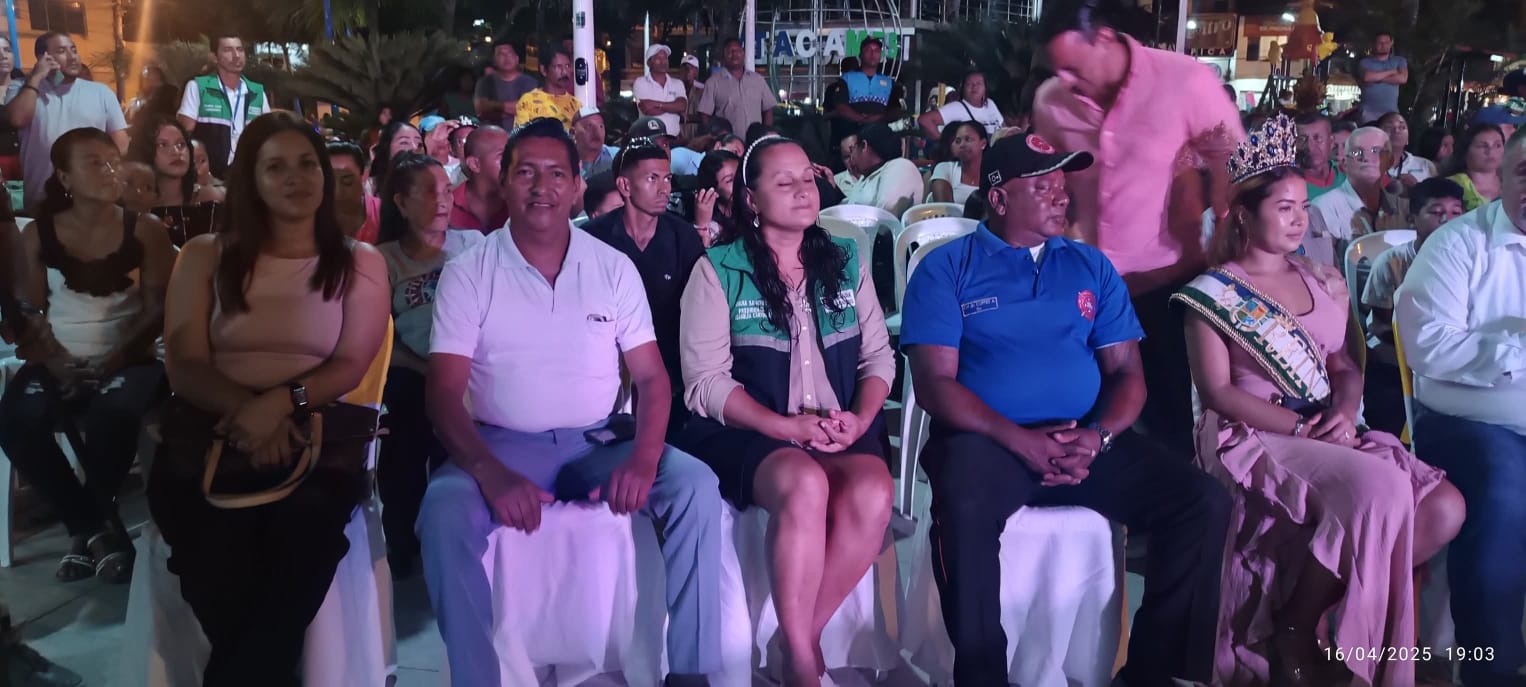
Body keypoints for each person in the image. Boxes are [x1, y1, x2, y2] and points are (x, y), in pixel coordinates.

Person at [899, 131, 1229, 687]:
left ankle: (1149, 674)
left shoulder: (1088, 266)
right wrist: (1019, 441)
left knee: (1202, 503)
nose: (1061, 195)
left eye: (1062, 183)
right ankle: (982, 676)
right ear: (999, 198)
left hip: (1085, 441)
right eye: (1043, 186)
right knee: (963, 503)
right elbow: (935, 385)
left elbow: (1127, 375)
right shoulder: (946, 268)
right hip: (987, 443)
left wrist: (1099, 436)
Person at [418, 118, 721, 687]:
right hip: (501, 445)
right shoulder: (468, 273)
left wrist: (644, 459)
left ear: (578, 184)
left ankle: (691, 672)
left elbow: (653, 380)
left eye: (557, 174)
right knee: (443, 510)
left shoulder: (611, 267)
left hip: (598, 441)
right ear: (502, 182)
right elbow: (442, 393)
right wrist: (489, 472)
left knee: (696, 486)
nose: (542, 188)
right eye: (526, 173)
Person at [1177, 114, 1462, 687]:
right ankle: (1296, 627)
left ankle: (1311, 613)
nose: (1298, 219)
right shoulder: (1212, 293)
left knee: (1444, 507)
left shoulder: (1318, 276)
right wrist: (1299, 427)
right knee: (1381, 489)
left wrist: (1344, 408)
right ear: (1243, 213)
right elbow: (1218, 392)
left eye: (1303, 207)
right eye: (1283, 207)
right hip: (1253, 435)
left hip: (1327, 426)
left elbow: (1344, 364)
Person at [149, 111, 391, 686]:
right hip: (213, 426)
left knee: (303, 536)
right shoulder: (205, 255)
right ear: (251, 181)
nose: (296, 177)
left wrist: (280, 405)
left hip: (317, 432)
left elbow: (351, 363)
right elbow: (185, 362)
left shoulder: (360, 262)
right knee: (212, 545)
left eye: (308, 164)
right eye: (276, 167)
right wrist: (247, 412)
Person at [676, 135, 894, 687]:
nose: (803, 190)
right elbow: (704, 384)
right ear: (750, 199)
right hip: (752, 429)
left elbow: (877, 357)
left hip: (837, 426)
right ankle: (801, 662)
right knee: (804, 483)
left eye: (807, 178)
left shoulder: (844, 260)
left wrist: (860, 419)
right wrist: (784, 426)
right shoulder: (718, 270)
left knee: (873, 490)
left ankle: (797, 637)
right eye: (784, 182)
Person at [1032, 0, 1246, 455]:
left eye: (1073, 67)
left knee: (1174, 428)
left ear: (1104, 38)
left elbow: (1235, 168)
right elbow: (1048, 185)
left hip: (1169, 285)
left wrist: (1227, 248)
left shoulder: (1184, 81)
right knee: (1086, 421)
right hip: (1087, 292)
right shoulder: (1052, 102)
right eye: (1057, 69)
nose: (1064, 80)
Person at [0, 127, 174, 584]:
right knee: (16, 421)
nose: (110, 170)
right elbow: (29, 308)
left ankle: (86, 533)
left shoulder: (147, 230)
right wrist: (56, 360)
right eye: (95, 163)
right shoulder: (39, 234)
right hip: (59, 357)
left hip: (132, 358)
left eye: (113, 160)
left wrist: (113, 360)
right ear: (64, 177)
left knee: (113, 413)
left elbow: (158, 311)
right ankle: (94, 528)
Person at [1396, 126, 1526, 687]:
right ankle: (1490, 667)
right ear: (1501, 178)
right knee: (1502, 494)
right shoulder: (1459, 244)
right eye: (1525, 173)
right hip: (1470, 420)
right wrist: (1518, 350)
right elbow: (1427, 344)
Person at [373, 153, 485, 577]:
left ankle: (454, 535)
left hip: (474, 368)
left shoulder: (472, 245)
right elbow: (380, 339)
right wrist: (431, 372)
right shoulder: (383, 259)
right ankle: (403, 542)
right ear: (401, 203)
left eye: (446, 190)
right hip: (412, 369)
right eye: (428, 191)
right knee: (408, 420)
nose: (442, 200)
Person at [584, 140, 705, 438]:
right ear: (625, 186)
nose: (664, 189)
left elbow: (699, 311)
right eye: (652, 178)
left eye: (667, 178)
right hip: (605, 372)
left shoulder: (682, 237)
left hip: (671, 372)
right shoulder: (592, 239)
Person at [1357, 177, 1465, 437]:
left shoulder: (1469, 261)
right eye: (1436, 213)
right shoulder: (1392, 262)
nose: (1446, 220)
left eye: (1456, 213)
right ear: (1412, 219)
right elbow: (1381, 322)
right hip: (1396, 350)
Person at [7, 33, 130, 213]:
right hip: (41, 200)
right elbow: (17, 118)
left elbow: (121, 144)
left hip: (93, 200)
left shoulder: (101, 93)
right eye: (62, 51)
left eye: (74, 50)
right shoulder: (21, 88)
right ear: (43, 58)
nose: (72, 57)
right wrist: (36, 77)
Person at [1304, 126, 1410, 266]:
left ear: (1390, 161)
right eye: (1356, 152)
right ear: (1344, 164)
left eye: (1376, 151)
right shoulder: (1322, 208)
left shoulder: (1404, 209)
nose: (1366, 158)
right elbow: (1319, 268)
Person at [177, 34, 272, 179]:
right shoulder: (198, 87)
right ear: (214, 57)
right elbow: (183, 133)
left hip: (247, 176)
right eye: (228, 50)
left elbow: (268, 135)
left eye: (240, 49)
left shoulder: (257, 92)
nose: (236, 55)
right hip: (210, 177)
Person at [127, 116, 225, 245]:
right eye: (163, 144)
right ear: (145, 151)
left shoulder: (212, 199)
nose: (176, 152)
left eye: (181, 144)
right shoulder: (136, 206)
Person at [831, 122, 922, 217]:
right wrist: (831, 187)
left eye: (852, 149)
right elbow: (847, 206)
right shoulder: (866, 177)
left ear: (864, 146)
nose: (851, 158)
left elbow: (885, 215)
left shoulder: (900, 166)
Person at [697, 38, 777, 137]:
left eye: (737, 51)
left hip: (756, 140)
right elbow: (704, 115)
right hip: (728, 142)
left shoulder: (758, 80)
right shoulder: (713, 83)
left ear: (743, 53)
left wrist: (765, 135)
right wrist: (714, 136)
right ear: (724, 56)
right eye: (730, 51)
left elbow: (768, 110)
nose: (734, 54)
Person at [830, 37, 904, 131]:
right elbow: (841, 106)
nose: (873, 54)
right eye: (868, 50)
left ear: (880, 56)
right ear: (861, 55)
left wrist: (881, 118)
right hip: (852, 130)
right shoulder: (847, 78)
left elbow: (896, 109)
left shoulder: (889, 82)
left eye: (876, 50)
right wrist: (862, 119)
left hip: (880, 130)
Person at [449, 125, 510, 232]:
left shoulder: (520, 203)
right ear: (475, 164)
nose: (513, 162)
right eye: (503, 156)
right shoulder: (447, 206)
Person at [513, 47, 581, 132]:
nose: (564, 72)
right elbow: (520, 136)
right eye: (558, 66)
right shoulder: (528, 101)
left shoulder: (576, 105)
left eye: (567, 66)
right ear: (543, 70)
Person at [918, 70, 1003, 138]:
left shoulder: (990, 104)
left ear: (985, 88)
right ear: (963, 88)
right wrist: (944, 142)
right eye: (969, 84)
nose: (974, 87)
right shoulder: (956, 107)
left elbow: (1002, 126)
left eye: (979, 83)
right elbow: (924, 120)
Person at [1440, 122, 1505, 210]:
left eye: (1497, 145)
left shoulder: (1513, 183)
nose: (1491, 151)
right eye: (1482, 146)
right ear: (1465, 151)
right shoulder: (1448, 186)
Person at [328, 141, 381, 243]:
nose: (337, 191)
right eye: (329, 181)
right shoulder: (311, 217)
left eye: (347, 180)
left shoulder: (384, 213)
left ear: (364, 176)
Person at [474, 43, 538, 127]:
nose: (506, 57)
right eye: (501, 54)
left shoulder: (529, 82)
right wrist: (515, 110)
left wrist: (494, 105)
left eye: (510, 53)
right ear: (494, 61)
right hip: (491, 132)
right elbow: (481, 112)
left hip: (520, 132)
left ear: (517, 59)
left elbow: (529, 109)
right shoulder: (484, 82)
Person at [634, 44, 690, 138]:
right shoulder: (641, 82)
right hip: (650, 139)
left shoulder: (677, 83)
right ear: (649, 63)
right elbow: (648, 110)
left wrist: (656, 104)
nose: (663, 62)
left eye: (665, 58)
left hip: (673, 138)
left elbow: (682, 106)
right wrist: (673, 107)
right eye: (658, 58)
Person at [929, 120, 987, 205]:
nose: (962, 145)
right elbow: (944, 209)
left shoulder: (993, 172)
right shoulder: (945, 168)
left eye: (968, 139)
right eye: (958, 141)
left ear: (983, 143)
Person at [1358, 32, 1407, 125]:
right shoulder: (1365, 62)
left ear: (1391, 43)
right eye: (1380, 42)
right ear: (1374, 44)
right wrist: (1391, 72)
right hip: (1368, 112)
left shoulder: (1399, 61)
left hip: (1391, 112)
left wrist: (1375, 78)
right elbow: (1367, 77)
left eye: (1386, 42)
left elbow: (1402, 78)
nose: (1383, 45)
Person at [1295, 112, 1347, 200]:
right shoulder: (1291, 186)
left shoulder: (1347, 173)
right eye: (1302, 139)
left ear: (1331, 142)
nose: (1310, 146)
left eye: (1318, 138)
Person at [692, 150, 739, 244]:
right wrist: (702, 226)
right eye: (730, 180)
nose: (740, 182)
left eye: (740, 175)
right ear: (713, 191)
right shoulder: (712, 228)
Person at [1378, 112, 1435, 189]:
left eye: (1402, 127)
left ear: (1407, 139)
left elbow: (1437, 194)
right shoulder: (1366, 164)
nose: (1396, 130)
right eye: (1389, 127)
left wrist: (1417, 187)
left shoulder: (1426, 165)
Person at [369, 120, 424, 187]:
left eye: (419, 144)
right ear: (387, 148)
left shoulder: (431, 183)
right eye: (404, 142)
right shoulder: (370, 186)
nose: (415, 147)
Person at [572, 106, 618, 179]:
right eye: (589, 126)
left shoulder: (617, 156)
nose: (597, 132)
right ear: (573, 133)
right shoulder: (565, 161)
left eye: (601, 126)